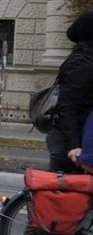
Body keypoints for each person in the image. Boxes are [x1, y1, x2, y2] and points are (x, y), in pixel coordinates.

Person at [48, 12, 93, 173]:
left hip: (81, 140)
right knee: (65, 187)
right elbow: (66, 105)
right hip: (72, 145)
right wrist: (75, 145)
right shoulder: (82, 62)